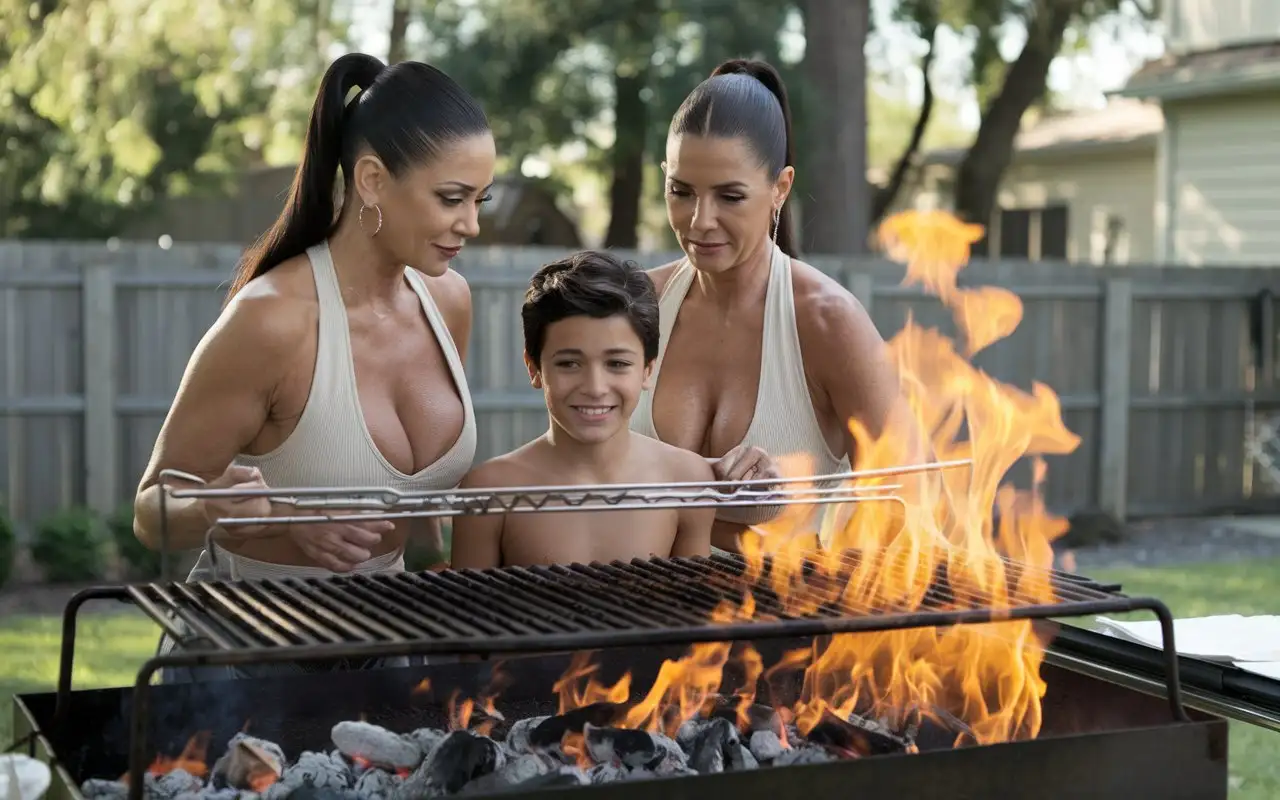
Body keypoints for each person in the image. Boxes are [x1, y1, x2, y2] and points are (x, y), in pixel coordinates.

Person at [130, 51, 494, 680]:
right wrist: (272, 517)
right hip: (246, 653)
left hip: (386, 638)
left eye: (481, 199)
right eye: (452, 198)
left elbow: (420, 513)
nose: (473, 224)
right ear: (374, 180)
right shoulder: (272, 321)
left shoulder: (449, 301)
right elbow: (151, 513)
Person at [629, 58, 902, 555]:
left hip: (781, 620)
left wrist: (797, 505)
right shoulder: (636, 306)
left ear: (780, 188)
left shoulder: (827, 322)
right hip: (630, 613)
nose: (700, 220)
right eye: (681, 191)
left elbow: (906, 503)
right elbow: (573, 471)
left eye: (730, 196)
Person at [449, 250, 716, 569]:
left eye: (617, 364)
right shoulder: (490, 491)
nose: (594, 387)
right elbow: (468, 611)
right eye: (569, 363)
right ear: (534, 368)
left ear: (647, 370)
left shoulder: (687, 481)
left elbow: (694, 610)